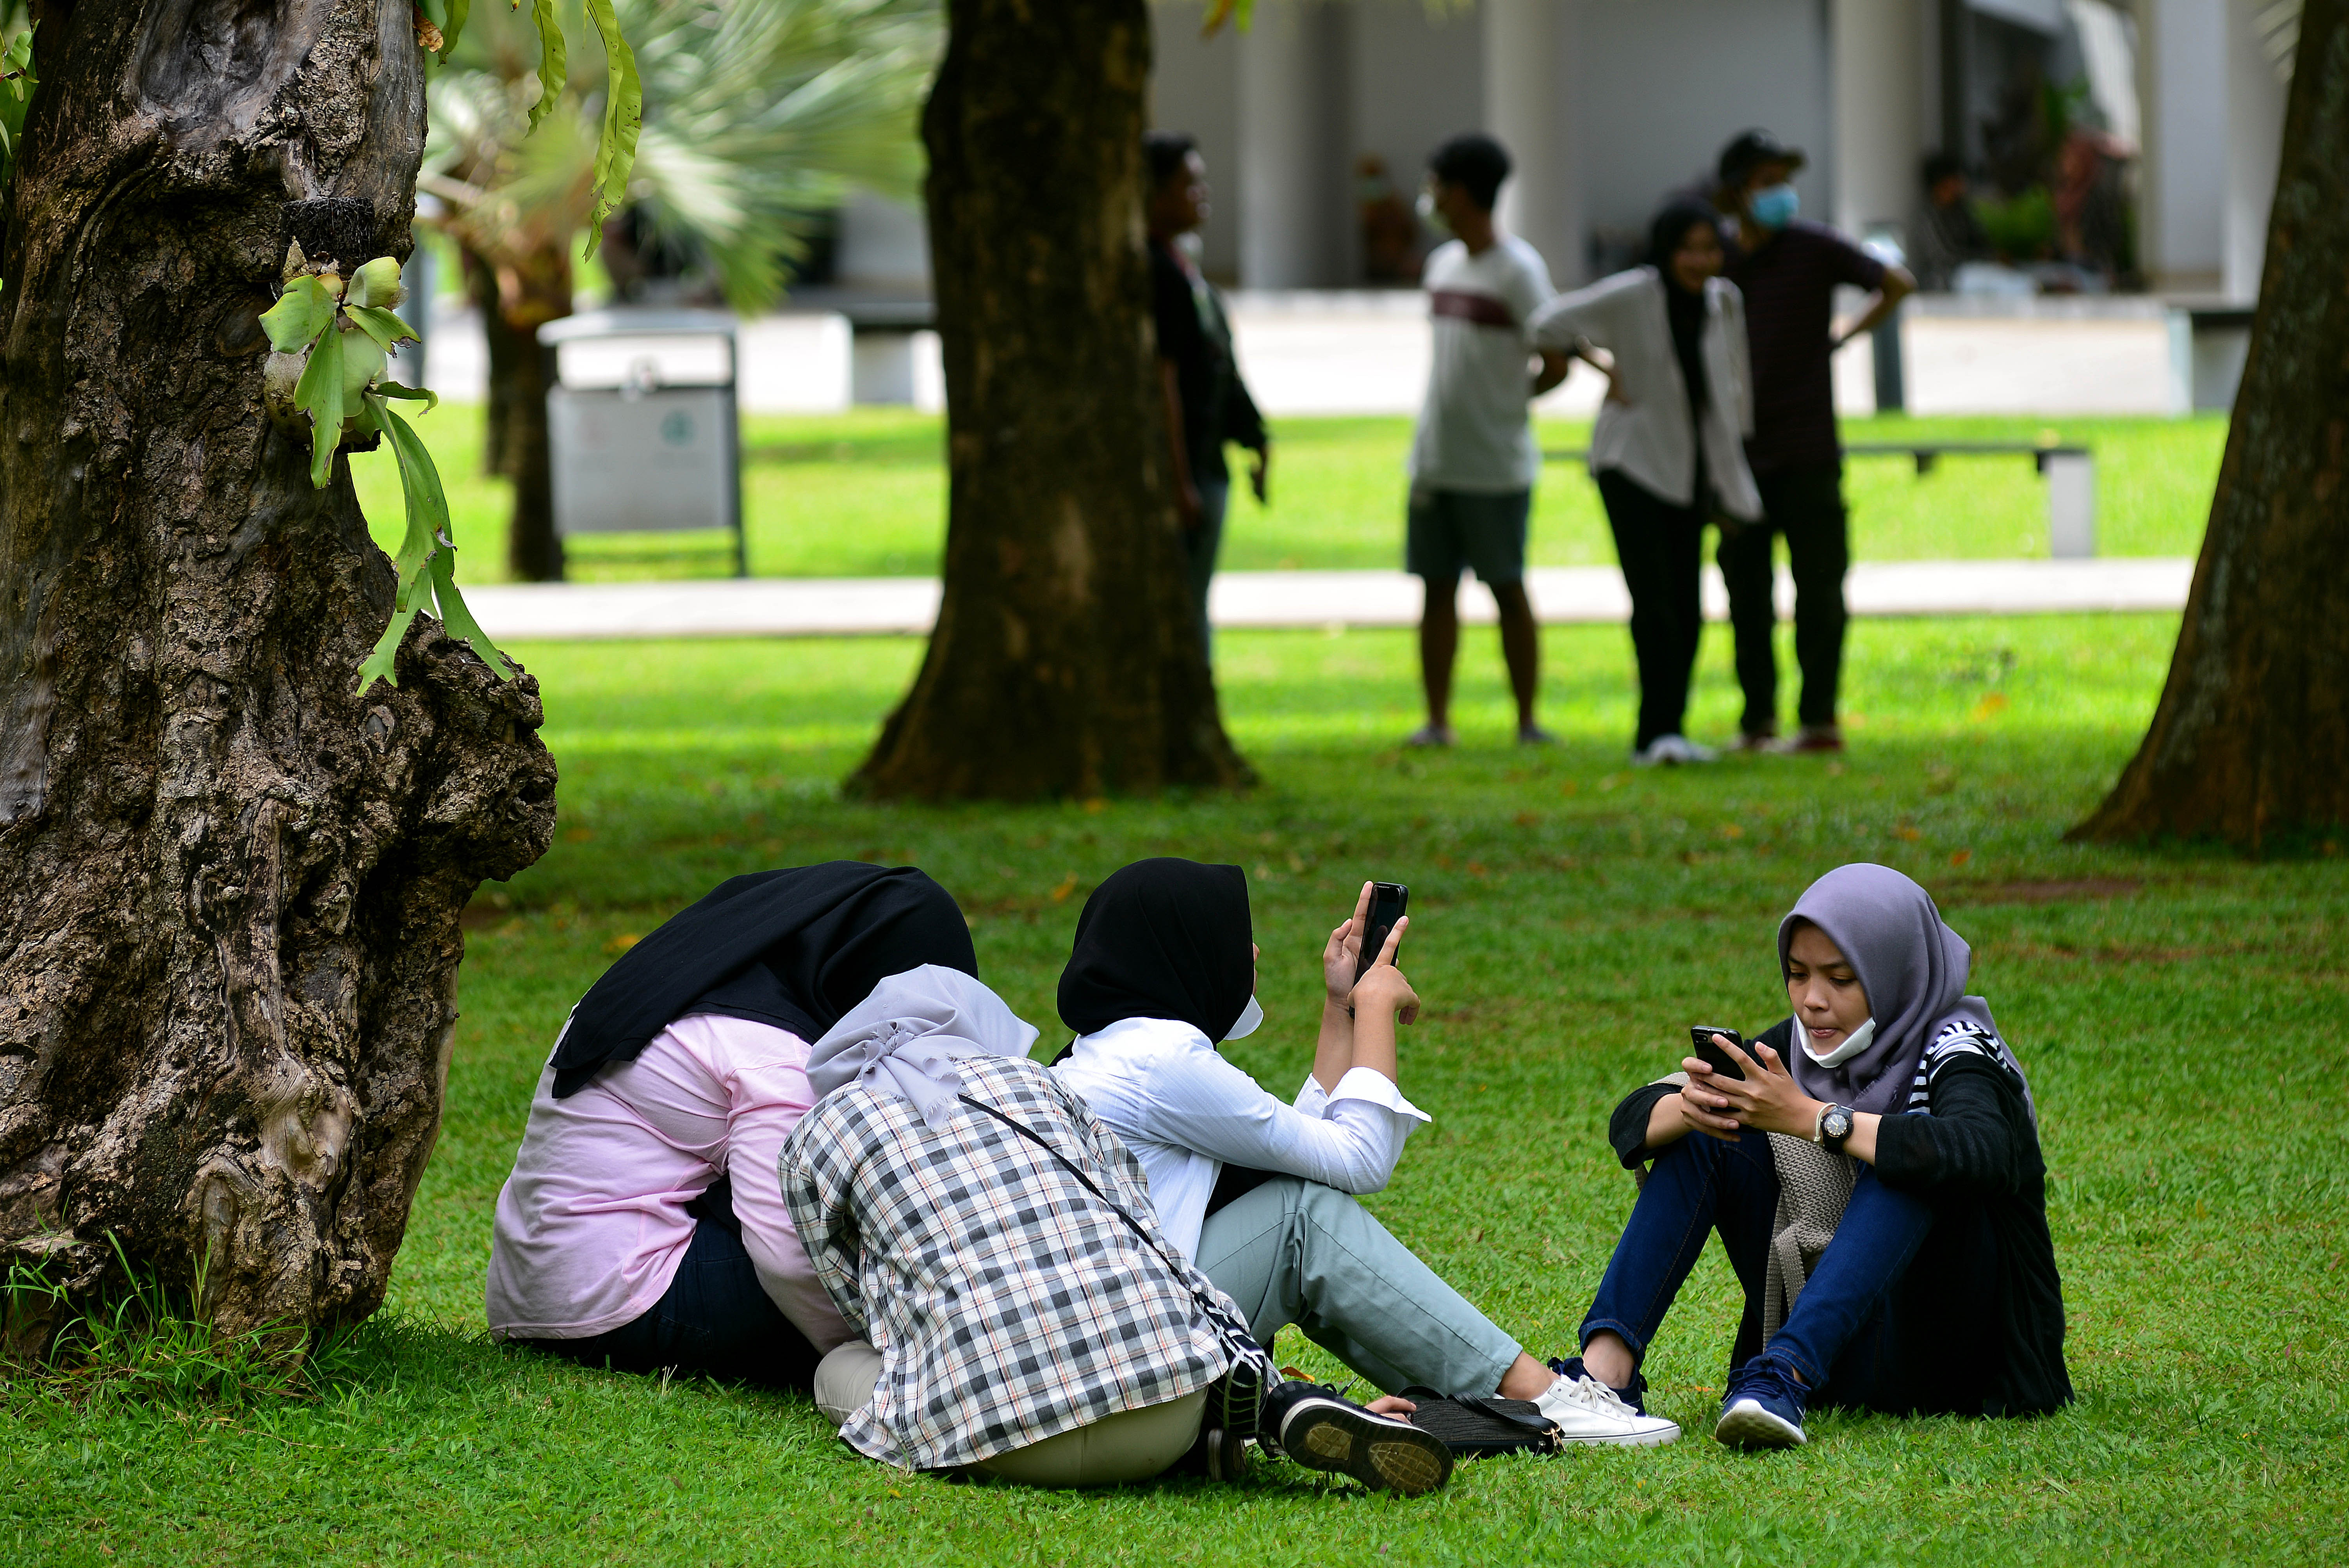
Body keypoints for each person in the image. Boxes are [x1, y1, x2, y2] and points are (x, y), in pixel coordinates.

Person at [1052, 859, 1679, 1446]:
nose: (1252, 953)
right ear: (1182, 950)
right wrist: (1376, 1007)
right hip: (1131, 1348)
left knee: (1297, 1207)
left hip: (1105, 1339)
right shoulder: (1160, 1061)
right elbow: (1358, 1163)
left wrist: (1340, 1007)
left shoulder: (1113, 1049)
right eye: (1230, 936)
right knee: (1300, 1220)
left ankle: (1496, 1401)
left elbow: (1300, 1151)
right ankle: (1541, 1397)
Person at [782, 965, 1455, 1493]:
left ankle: (972, 1399)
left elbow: (850, 1294)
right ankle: (1251, 1414)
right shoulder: (1038, 1084)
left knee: (839, 1365)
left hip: (1002, 1440)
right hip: (1166, 1410)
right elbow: (1142, 1231)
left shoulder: (818, 1135)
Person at [1556, 863, 2073, 1449]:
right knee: (1706, 1130)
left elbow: (1984, 1151)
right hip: (1850, 1354)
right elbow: (1630, 1121)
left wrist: (1816, 1119)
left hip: (1957, 1363)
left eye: (1842, 978)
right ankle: (1603, 1380)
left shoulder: (1959, 1049)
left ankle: (1783, 1376)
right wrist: (1694, 1108)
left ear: (1893, 972)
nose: (1812, 1001)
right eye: (1797, 975)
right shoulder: (1800, 1048)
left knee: (1913, 1152)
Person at [485, 862, 977, 1386]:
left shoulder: (678, 985)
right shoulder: (773, 1059)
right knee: (877, 1234)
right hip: (622, 1302)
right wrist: (873, 1349)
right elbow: (790, 1257)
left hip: (536, 1292)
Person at [1529, 200, 1763, 766]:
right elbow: (1546, 324)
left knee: (1687, 603)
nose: (1700, 260)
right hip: (1631, 464)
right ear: (1665, 249)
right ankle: (1651, 735)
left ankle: (1671, 730)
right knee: (1654, 602)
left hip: (1691, 468)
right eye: (1688, 248)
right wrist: (1603, 365)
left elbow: (1735, 387)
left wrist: (1734, 470)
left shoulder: (1723, 300)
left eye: (1710, 248)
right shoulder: (1634, 293)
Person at [1713, 129, 1916, 754]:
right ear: (1735, 194)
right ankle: (1757, 721)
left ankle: (1819, 720)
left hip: (1808, 452)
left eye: (1784, 180)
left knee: (1820, 591)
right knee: (1746, 596)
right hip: (1738, 456)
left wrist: (1845, 335)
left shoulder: (1814, 247)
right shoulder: (1715, 259)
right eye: (1766, 182)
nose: (1780, 194)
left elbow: (1896, 282)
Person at [1403, 132, 1573, 748]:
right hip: (1435, 458)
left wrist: (1507, 404)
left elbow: (1557, 360)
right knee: (1436, 590)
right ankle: (1437, 721)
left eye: (1437, 185)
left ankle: (1527, 720)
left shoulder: (1519, 271)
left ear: (1464, 192)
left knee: (1507, 588)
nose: (1431, 197)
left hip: (1495, 464)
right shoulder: (1442, 265)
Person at [1147, 131, 1269, 661]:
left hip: (1208, 463)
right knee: (1183, 609)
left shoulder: (1186, 270)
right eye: (1188, 184)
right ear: (1152, 193)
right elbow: (1163, 382)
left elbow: (1219, 365)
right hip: (1188, 470)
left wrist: (1257, 438)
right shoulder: (1156, 274)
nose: (1202, 193)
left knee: (1196, 603)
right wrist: (1180, 483)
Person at [1906, 151, 1989, 293]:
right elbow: (1945, 257)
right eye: (1956, 179)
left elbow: (1980, 241)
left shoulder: (1960, 212)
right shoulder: (1928, 219)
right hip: (1945, 283)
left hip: (1971, 274)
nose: (1962, 185)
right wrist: (1984, 259)